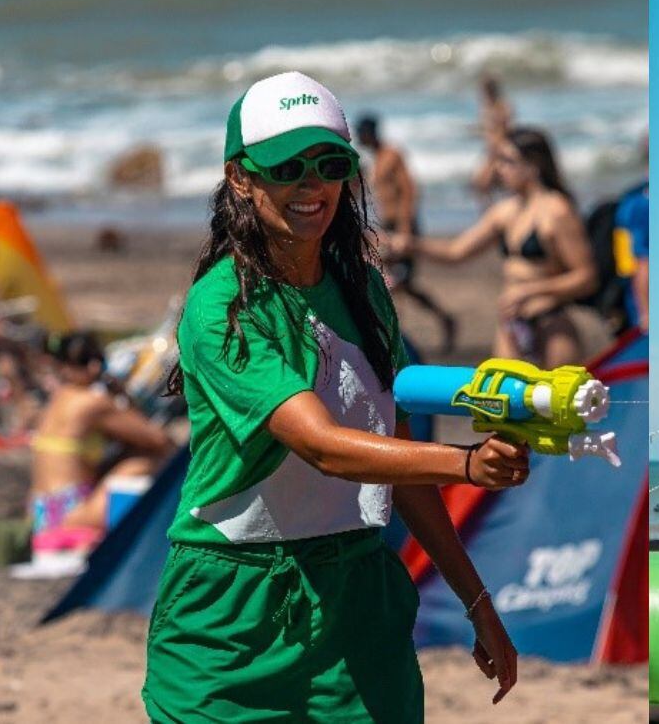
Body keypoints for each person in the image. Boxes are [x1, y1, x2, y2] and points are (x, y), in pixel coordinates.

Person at [143, 71, 529, 722]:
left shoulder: (367, 294)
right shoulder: (222, 307)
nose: (312, 184)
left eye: (329, 164)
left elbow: (396, 458)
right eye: (288, 166)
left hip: (358, 602)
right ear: (241, 176)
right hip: (231, 610)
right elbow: (323, 446)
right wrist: (467, 463)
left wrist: (477, 602)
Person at [394, 127, 598, 367]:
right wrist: (412, 245)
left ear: (534, 165)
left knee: (556, 402)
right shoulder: (505, 211)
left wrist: (532, 290)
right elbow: (456, 252)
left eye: (507, 161)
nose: (499, 169)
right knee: (504, 400)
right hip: (511, 325)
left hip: (551, 325)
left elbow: (586, 277)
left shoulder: (557, 211)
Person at [26, 330, 171, 552]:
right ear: (64, 366)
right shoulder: (93, 402)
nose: (94, 367)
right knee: (150, 458)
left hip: (41, 514)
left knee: (129, 454)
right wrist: (122, 394)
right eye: (84, 360)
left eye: (99, 359)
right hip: (71, 514)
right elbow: (157, 439)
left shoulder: (57, 398)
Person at [356, 114, 458, 354]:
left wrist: (404, 230)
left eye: (361, 133)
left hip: (403, 228)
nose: (359, 137)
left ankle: (402, 333)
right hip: (389, 228)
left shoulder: (392, 155)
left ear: (371, 132)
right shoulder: (376, 159)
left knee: (397, 280)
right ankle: (434, 321)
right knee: (397, 280)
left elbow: (409, 190)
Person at [614, 133, 649, 332]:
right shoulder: (642, 203)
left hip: (633, 302)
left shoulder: (630, 199)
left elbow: (624, 265)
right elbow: (642, 263)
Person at [470, 75, 515, 205]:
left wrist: (497, 150)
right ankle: (493, 210)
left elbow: (503, 131)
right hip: (492, 149)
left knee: (483, 182)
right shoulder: (490, 108)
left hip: (497, 149)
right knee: (483, 184)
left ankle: (494, 210)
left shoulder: (499, 108)